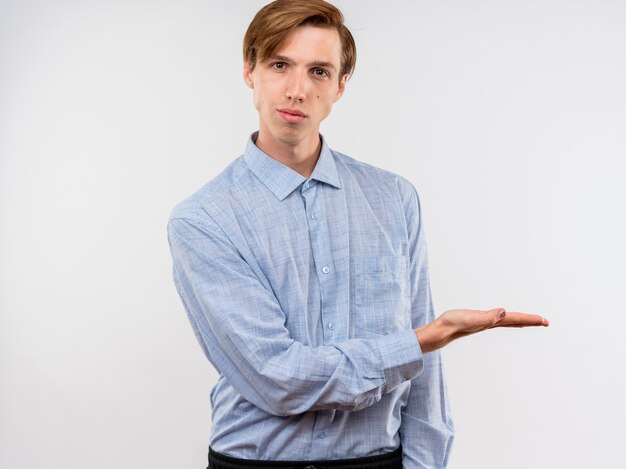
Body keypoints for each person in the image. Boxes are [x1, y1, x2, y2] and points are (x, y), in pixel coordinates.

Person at [167, 1, 549, 468]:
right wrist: (426, 338)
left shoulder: (393, 198)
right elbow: (277, 378)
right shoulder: (204, 220)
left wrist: (426, 462)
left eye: (319, 71)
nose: (297, 90)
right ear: (250, 71)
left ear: (341, 86)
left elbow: (425, 380)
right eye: (280, 65)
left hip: (379, 460)